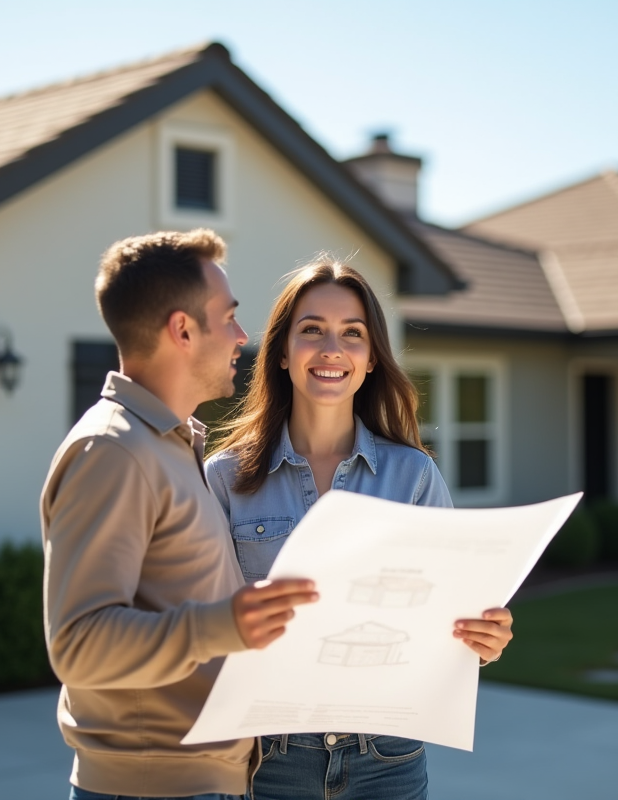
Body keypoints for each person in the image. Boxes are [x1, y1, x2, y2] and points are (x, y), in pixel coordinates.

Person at [205, 258, 514, 800]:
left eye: (353, 334)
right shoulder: (225, 479)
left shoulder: (414, 475)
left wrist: (484, 641)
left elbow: (454, 625)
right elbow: (201, 630)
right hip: (268, 759)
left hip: (388, 758)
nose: (332, 349)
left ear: (371, 360)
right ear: (281, 352)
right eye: (312, 331)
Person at [40, 230, 319, 800]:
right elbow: (77, 643)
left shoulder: (170, 445)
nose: (244, 337)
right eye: (230, 318)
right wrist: (222, 625)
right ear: (183, 330)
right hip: (153, 788)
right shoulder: (114, 451)